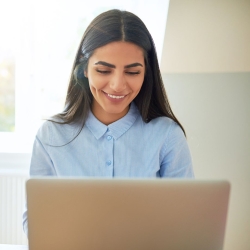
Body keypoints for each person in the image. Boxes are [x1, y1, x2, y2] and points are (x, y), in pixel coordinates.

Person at [23, 9, 194, 235]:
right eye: (104, 70)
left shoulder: (167, 135)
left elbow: (187, 220)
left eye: (132, 72)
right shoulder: (51, 136)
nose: (117, 85)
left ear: (146, 73)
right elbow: (35, 223)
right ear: (84, 69)